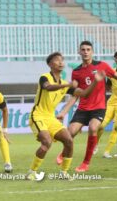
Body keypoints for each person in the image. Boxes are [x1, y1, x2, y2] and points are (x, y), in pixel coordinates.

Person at [56, 41, 117, 172]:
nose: (86, 52)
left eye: (88, 49)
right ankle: (63, 153)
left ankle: (85, 163)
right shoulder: (76, 72)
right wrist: (64, 112)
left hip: (99, 107)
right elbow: (76, 94)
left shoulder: (102, 65)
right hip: (82, 108)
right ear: (79, 52)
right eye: (83, 49)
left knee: (93, 128)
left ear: (92, 52)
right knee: (69, 133)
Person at [27, 52, 105, 180]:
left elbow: (83, 94)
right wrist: (67, 85)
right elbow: (48, 87)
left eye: (62, 60)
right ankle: (32, 171)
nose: (61, 62)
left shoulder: (64, 83)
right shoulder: (44, 77)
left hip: (51, 118)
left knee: (69, 141)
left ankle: (63, 173)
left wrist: (95, 82)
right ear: (50, 64)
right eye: (57, 60)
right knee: (46, 142)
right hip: (38, 116)